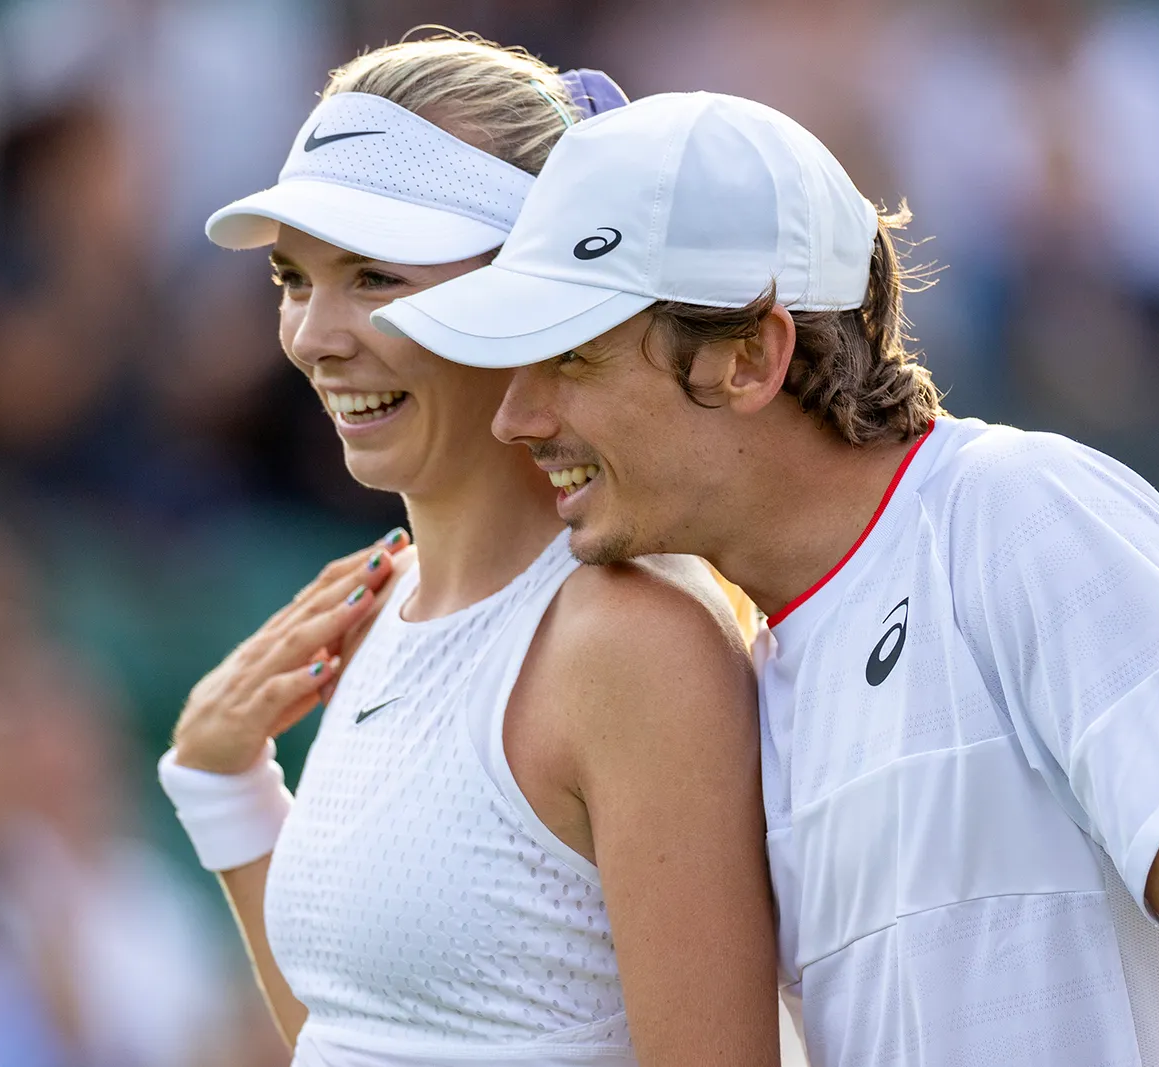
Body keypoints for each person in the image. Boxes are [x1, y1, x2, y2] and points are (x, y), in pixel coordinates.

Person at [374, 91, 1159, 1066]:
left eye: (574, 359)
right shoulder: (755, 676)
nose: (518, 417)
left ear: (749, 356)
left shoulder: (1016, 513)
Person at [157, 43, 779, 1067]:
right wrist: (223, 788)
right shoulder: (374, 609)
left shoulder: (633, 639)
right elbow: (362, 1037)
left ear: (531, 288)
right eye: (292, 279)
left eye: (373, 276)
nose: (316, 334)